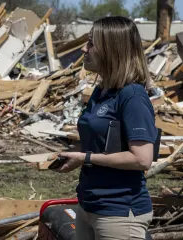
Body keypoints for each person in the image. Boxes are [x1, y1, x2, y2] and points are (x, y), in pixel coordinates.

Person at [53, 16, 157, 240]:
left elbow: (142, 159)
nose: (83, 49)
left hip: (118, 213)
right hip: (89, 204)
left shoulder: (133, 96)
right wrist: (76, 157)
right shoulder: (101, 93)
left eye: (91, 43)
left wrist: (85, 158)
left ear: (111, 49)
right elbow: (99, 145)